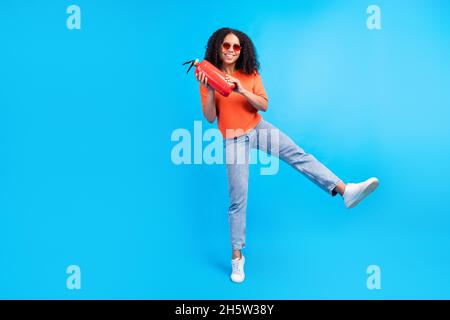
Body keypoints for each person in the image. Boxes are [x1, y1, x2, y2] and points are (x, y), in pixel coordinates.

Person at [195, 27, 379, 283]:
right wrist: (212, 88)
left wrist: (240, 89)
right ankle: (237, 258)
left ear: (241, 50)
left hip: (258, 128)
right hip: (233, 138)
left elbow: (264, 104)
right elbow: (210, 117)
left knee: (298, 155)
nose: (230, 51)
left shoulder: (249, 72)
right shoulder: (207, 76)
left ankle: (345, 191)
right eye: (226, 46)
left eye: (236, 47)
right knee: (238, 199)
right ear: (218, 47)